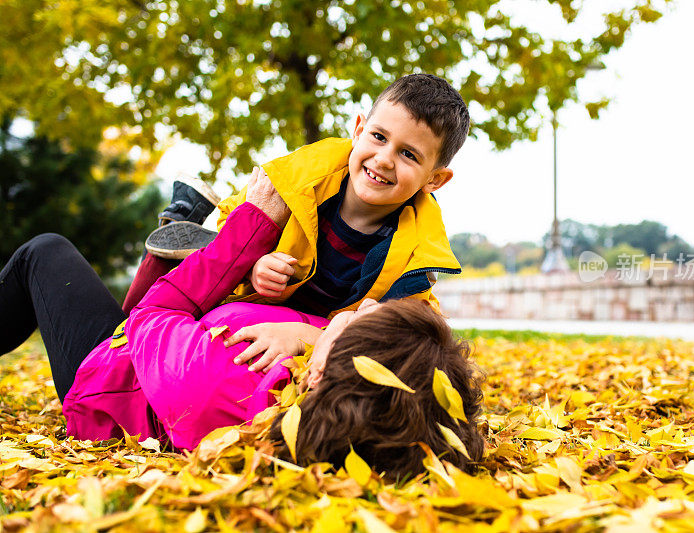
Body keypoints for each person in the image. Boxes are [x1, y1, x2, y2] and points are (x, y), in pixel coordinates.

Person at [0, 170, 484, 477]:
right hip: (162, 353)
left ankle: (172, 235)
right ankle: (174, 231)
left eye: (364, 320)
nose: (365, 307)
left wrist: (252, 225)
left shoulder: (236, 369)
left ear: (328, 367)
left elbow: (157, 313)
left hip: (110, 378)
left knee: (44, 253)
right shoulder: (319, 391)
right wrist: (308, 327)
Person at [122, 74, 470, 373]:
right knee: (141, 309)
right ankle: (181, 225)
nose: (384, 159)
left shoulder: (417, 256)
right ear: (359, 129)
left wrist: (308, 338)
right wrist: (254, 265)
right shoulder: (301, 179)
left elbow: (396, 332)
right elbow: (243, 219)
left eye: (408, 154)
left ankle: (181, 215)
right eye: (378, 137)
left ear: (435, 179)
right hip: (253, 296)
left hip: (312, 325)